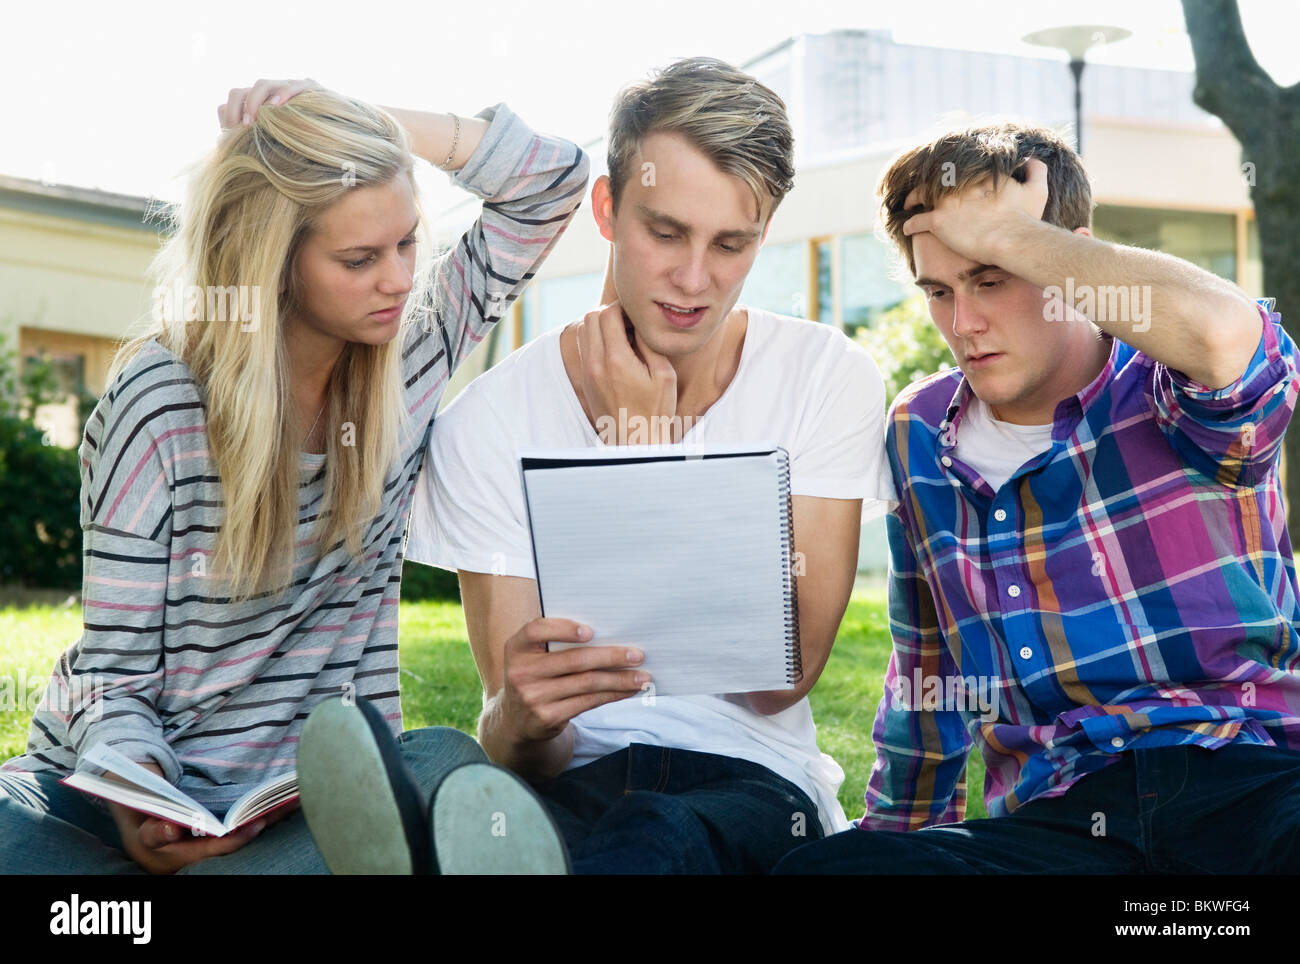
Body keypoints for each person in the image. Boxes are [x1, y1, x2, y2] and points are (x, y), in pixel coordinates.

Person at [0, 78, 588, 874]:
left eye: (408, 242)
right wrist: (137, 791)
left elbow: (551, 182)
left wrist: (366, 118)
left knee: (443, 762)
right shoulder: (161, 404)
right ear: (276, 264)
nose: (399, 279)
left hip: (317, 807)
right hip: (116, 809)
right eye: (359, 258)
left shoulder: (409, 356)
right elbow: (114, 676)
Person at [374, 56, 894, 875]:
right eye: (666, 232)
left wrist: (652, 458)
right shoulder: (489, 422)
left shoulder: (826, 378)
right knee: (474, 780)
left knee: (654, 834)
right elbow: (518, 745)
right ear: (609, 208)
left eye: (732, 243)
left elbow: (778, 682)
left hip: (752, 782)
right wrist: (523, 716)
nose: (695, 279)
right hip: (569, 782)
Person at [774, 120, 1300, 874]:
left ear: (1067, 260)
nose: (964, 323)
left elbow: (1228, 341)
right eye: (939, 292)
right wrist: (893, 839)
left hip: (1253, 782)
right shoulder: (920, 434)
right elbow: (928, 669)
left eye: (992, 278)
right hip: (1063, 823)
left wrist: (1017, 234)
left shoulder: (1166, 383)